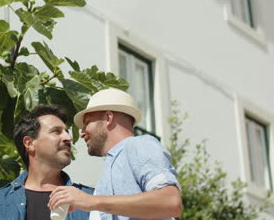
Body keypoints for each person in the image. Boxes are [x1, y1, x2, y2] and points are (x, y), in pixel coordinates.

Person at [48, 88, 182, 220]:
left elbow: (170, 201)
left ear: (108, 118)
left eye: (87, 123)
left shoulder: (138, 145)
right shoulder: (110, 169)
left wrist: (91, 201)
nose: (82, 133)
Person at [0, 105, 93, 220]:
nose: (68, 137)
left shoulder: (91, 199)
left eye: (66, 131)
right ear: (29, 143)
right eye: (56, 131)